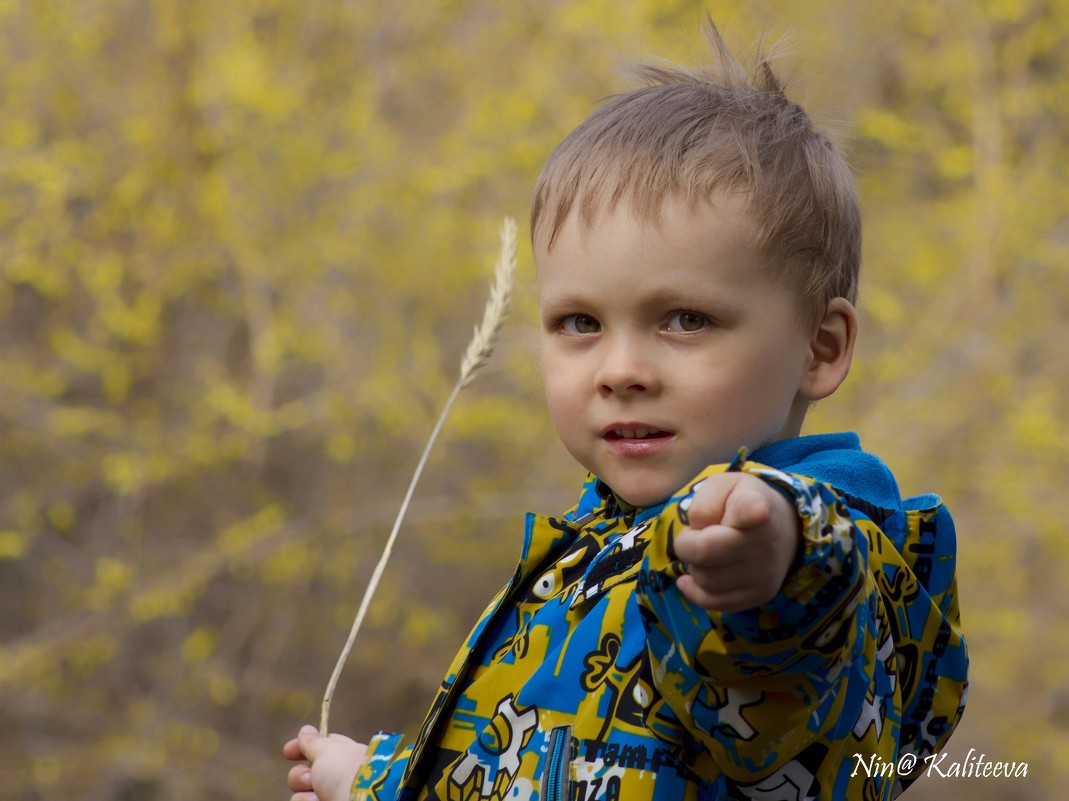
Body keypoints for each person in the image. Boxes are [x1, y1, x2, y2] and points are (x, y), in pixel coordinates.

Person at [285, 20, 968, 801]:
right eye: (580, 323)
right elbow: (528, 775)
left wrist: (778, 555)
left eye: (684, 319)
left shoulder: (800, 562)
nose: (620, 370)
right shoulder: (590, 553)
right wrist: (376, 784)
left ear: (818, 347)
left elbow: (785, 673)